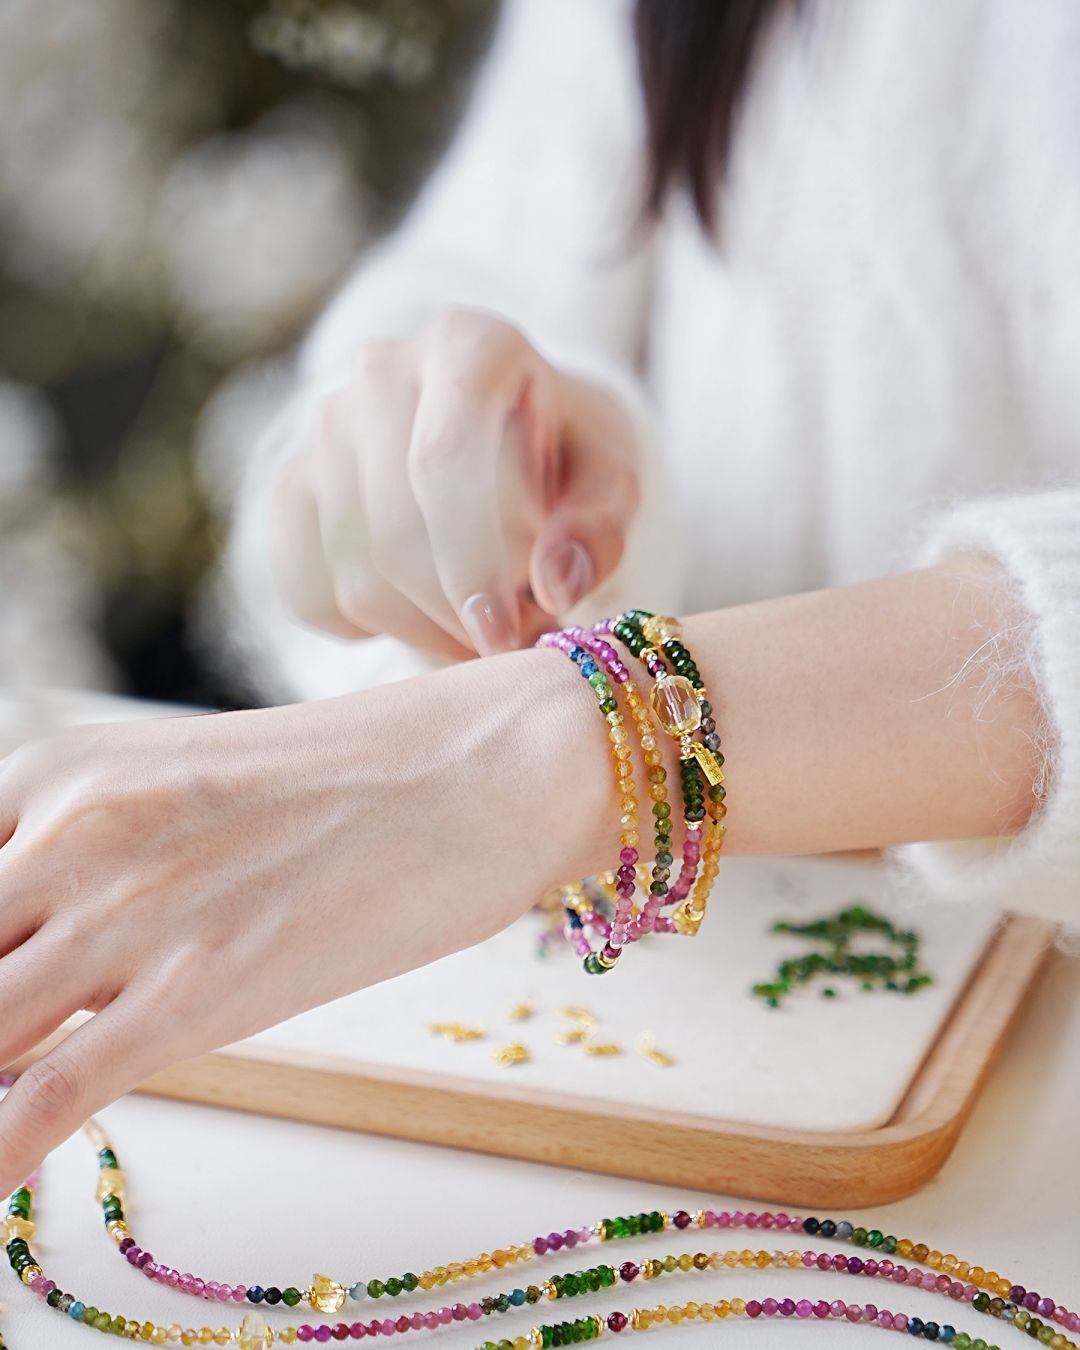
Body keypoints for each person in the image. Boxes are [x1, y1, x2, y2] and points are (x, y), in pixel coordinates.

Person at [0, 0, 1076, 1196]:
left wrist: (561, 751)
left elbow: (507, 760)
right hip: (707, 1061)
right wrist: (389, 494)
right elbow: (486, 275)